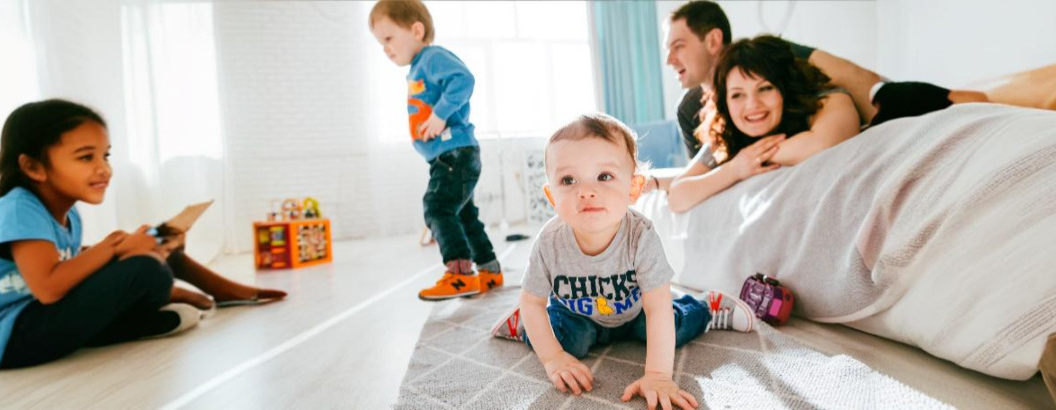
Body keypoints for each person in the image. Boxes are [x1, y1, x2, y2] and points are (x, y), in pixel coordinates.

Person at [0, 99, 286, 369]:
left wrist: (135, 242)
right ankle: (159, 300)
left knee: (155, 240)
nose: (104, 168)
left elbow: (67, 261)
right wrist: (113, 247)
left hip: (34, 320)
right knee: (146, 269)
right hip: (4, 339)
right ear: (34, 167)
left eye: (105, 155)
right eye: (85, 157)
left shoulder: (64, 211)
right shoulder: (19, 210)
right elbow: (49, 287)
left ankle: (218, 291)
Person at [490, 113, 756, 410]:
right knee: (565, 343)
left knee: (672, 329)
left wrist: (658, 375)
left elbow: (657, 307)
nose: (586, 191)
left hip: (637, 311)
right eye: (568, 180)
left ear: (633, 189)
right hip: (578, 316)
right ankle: (524, 326)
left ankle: (707, 307)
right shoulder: (549, 241)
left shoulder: (640, 236)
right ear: (552, 197)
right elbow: (533, 302)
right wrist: (553, 359)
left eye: (604, 176)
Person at [662, 1, 988, 164]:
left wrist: (886, 99)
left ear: (713, 40)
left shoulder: (772, 56)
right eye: (737, 95)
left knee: (978, 101)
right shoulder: (691, 111)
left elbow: (855, 81)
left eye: (678, 46)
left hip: (874, 115)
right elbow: (707, 170)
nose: (669, 60)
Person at [369, 0, 503, 300]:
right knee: (464, 215)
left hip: (454, 153)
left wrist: (439, 114)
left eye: (389, 39)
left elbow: (464, 79)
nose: (386, 49)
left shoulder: (431, 58)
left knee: (438, 207)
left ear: (416, 30)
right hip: (450, 155)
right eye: (381, 44)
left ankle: (459, 274)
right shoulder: (419, 67)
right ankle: (490, 270)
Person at [666, 36, 861, 212]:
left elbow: (823, 143)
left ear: (784, 88)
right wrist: (735, 168)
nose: (753, 105)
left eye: (765, 89)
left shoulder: (829, 98)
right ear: (725, 102)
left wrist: (753, 157)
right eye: (737, 95)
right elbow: (677, 196)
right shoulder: (727, 131)